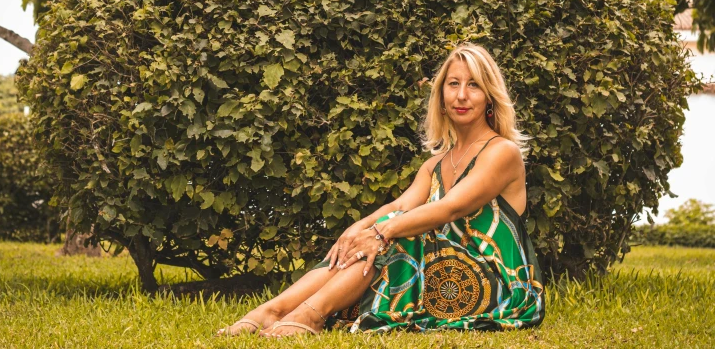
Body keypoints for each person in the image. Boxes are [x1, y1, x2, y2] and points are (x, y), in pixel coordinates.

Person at [217, 42, 545, 337]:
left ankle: (310, 316)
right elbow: (402, 203)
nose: (461, 95)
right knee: (388, 227)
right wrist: (356, 230)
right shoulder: (434, 165)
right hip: (437, 273)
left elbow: (450, 209)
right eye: (453, 84)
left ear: (489, 95)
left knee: (403, 229)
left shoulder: (502, 151)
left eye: (473, 85)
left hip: (489, 285)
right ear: (441, 96)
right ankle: (273, 310)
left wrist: (380, 232)